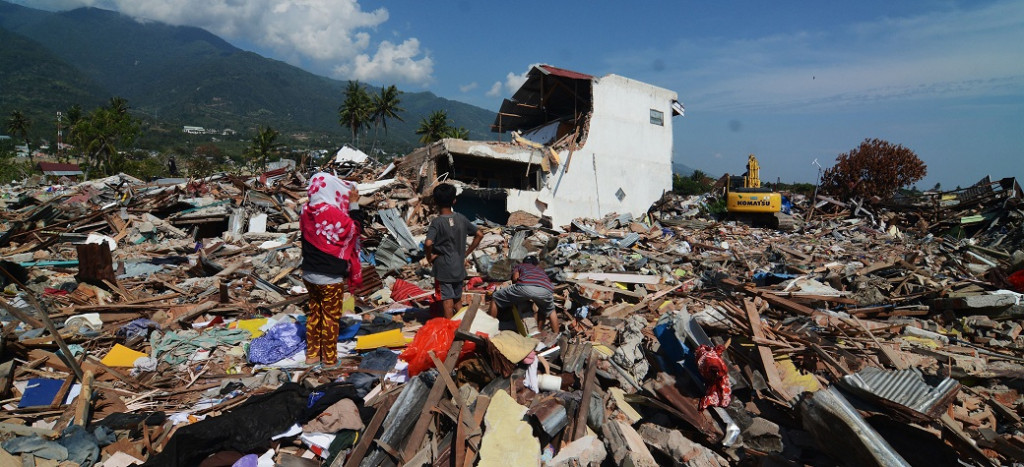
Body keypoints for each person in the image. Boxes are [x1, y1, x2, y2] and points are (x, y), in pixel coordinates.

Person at [300, 172, 362, 367]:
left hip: (309, 274)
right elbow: (355, 228)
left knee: (314, 314)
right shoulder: (332, 213)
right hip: (330, 276)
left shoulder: (305, 210)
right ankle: (329, 359)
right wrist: (353, 204)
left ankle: (311, 355)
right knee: (330, 318)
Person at [424, 183, 484, 319]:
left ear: (435, 202)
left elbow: (428, 243)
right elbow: (479, 234)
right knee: (457, 299)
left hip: (443, 267)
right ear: (454, 200)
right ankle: (464, 325)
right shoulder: (461, 219)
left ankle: (450, 329)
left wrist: (429, 257)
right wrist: (466, 253)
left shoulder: (437, 222)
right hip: (458, 266)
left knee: (447, 299)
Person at [489, 256, 559, 333]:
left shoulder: (520, 266)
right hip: (546, 289)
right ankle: (553, 335)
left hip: (525, 286)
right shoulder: (540, 270)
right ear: (536, 264)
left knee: (495, 297)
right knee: (551, 311)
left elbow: (515, 278)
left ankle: (490, 329)